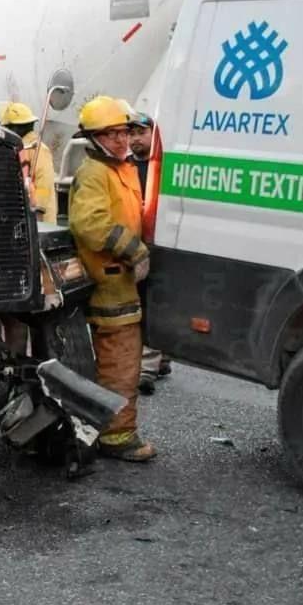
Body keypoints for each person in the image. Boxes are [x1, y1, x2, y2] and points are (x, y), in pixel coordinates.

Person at [68, 95, 155, 462]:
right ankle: (117, 436)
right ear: (94, 138)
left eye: (125, 131)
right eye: (112, 134)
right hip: (110, 287)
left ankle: (111, 428)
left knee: (125, 362)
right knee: (120, 364)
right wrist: (134, 250)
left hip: (124, 285)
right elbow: (90, 224)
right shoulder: (94, 173)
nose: (121, 140)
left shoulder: (122, 169)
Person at [128, 111, 172, 395]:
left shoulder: (164, 166)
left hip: (161, 243)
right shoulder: (126, 167)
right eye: (131, 134)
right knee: (142, 303)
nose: (134, 139)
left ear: (153, 134)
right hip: (136, 245)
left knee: (158, 304)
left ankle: (154, 363)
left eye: (140, 133)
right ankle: (150, 365)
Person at [0, 101, 57, 224]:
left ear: (17, 127)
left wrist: (38, 210)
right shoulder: (20, 147)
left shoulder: (37, 149)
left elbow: (44, 183)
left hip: (40, 220)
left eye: (8, 127)